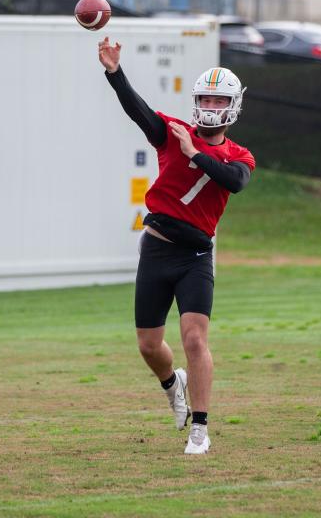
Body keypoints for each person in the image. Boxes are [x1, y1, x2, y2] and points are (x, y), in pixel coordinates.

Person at [98, 37, 255, 454]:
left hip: (196, 257)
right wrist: (115, 73)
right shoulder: (174, 134)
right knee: (149, 345)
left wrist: (197, 155)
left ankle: (200, 429)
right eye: (205, 98)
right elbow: (139, 111)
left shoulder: (240, 155)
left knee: (194, 340)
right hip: (157, 248)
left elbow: (235, 182)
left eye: (219, 101)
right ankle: (173, 384)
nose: (211, 106)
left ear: (234, 107)